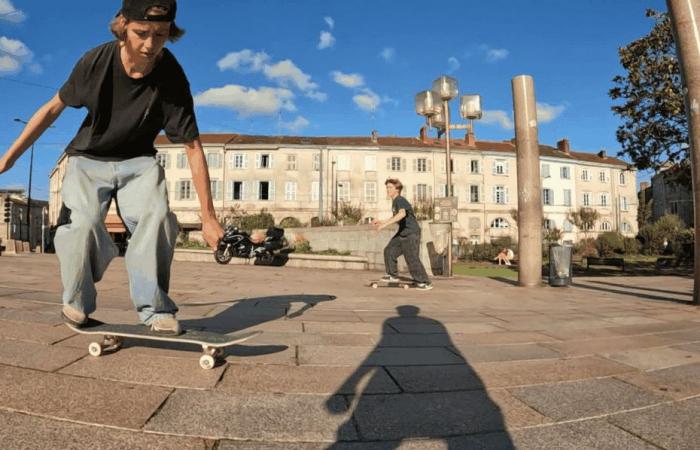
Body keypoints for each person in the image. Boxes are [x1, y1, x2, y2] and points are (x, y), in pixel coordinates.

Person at [0, 0, 223, 335]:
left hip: (139, 162)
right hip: (88, 158)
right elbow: (51, 110)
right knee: (83, 224)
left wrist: (208, 217)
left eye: (160, 35)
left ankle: (155, 309)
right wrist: (10, 157)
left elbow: (192, 147)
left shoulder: (172, 77)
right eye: (141, 33)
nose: (150, 45)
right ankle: (77, 300)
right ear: (123, 26)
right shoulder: (96, 61)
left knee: (159, 219)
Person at [373, 179, 432, 290]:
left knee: (411, 258)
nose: (387, 190)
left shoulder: (400, 199)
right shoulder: (395, 202)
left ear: (397, 189)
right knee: (389, 250)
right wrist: (382, 221)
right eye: (387, 188)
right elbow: (395, 217)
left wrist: (384, 226)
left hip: (411, 233)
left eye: (390, 187)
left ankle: (424, 282)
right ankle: (392, 275)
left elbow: (402, 214)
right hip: (403, 232)